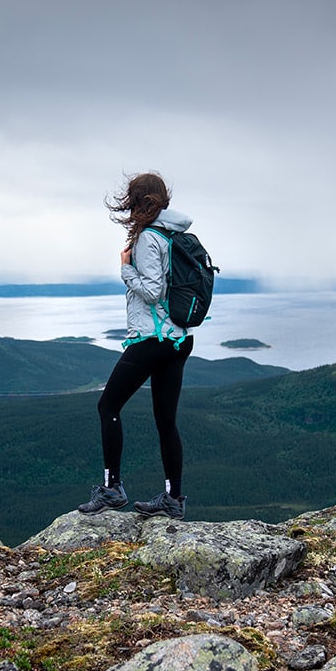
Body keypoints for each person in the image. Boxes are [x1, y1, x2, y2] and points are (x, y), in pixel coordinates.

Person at [77, 172, 195, 520]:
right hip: (179, 338)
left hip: (152, 339)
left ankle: (112, 489)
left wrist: (126, 269)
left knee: (108, 404)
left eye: (131, 201)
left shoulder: (149, 238)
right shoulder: (175, 234)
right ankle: (173, 497)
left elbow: (152, 290)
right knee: (166, 421)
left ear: (139, 201)